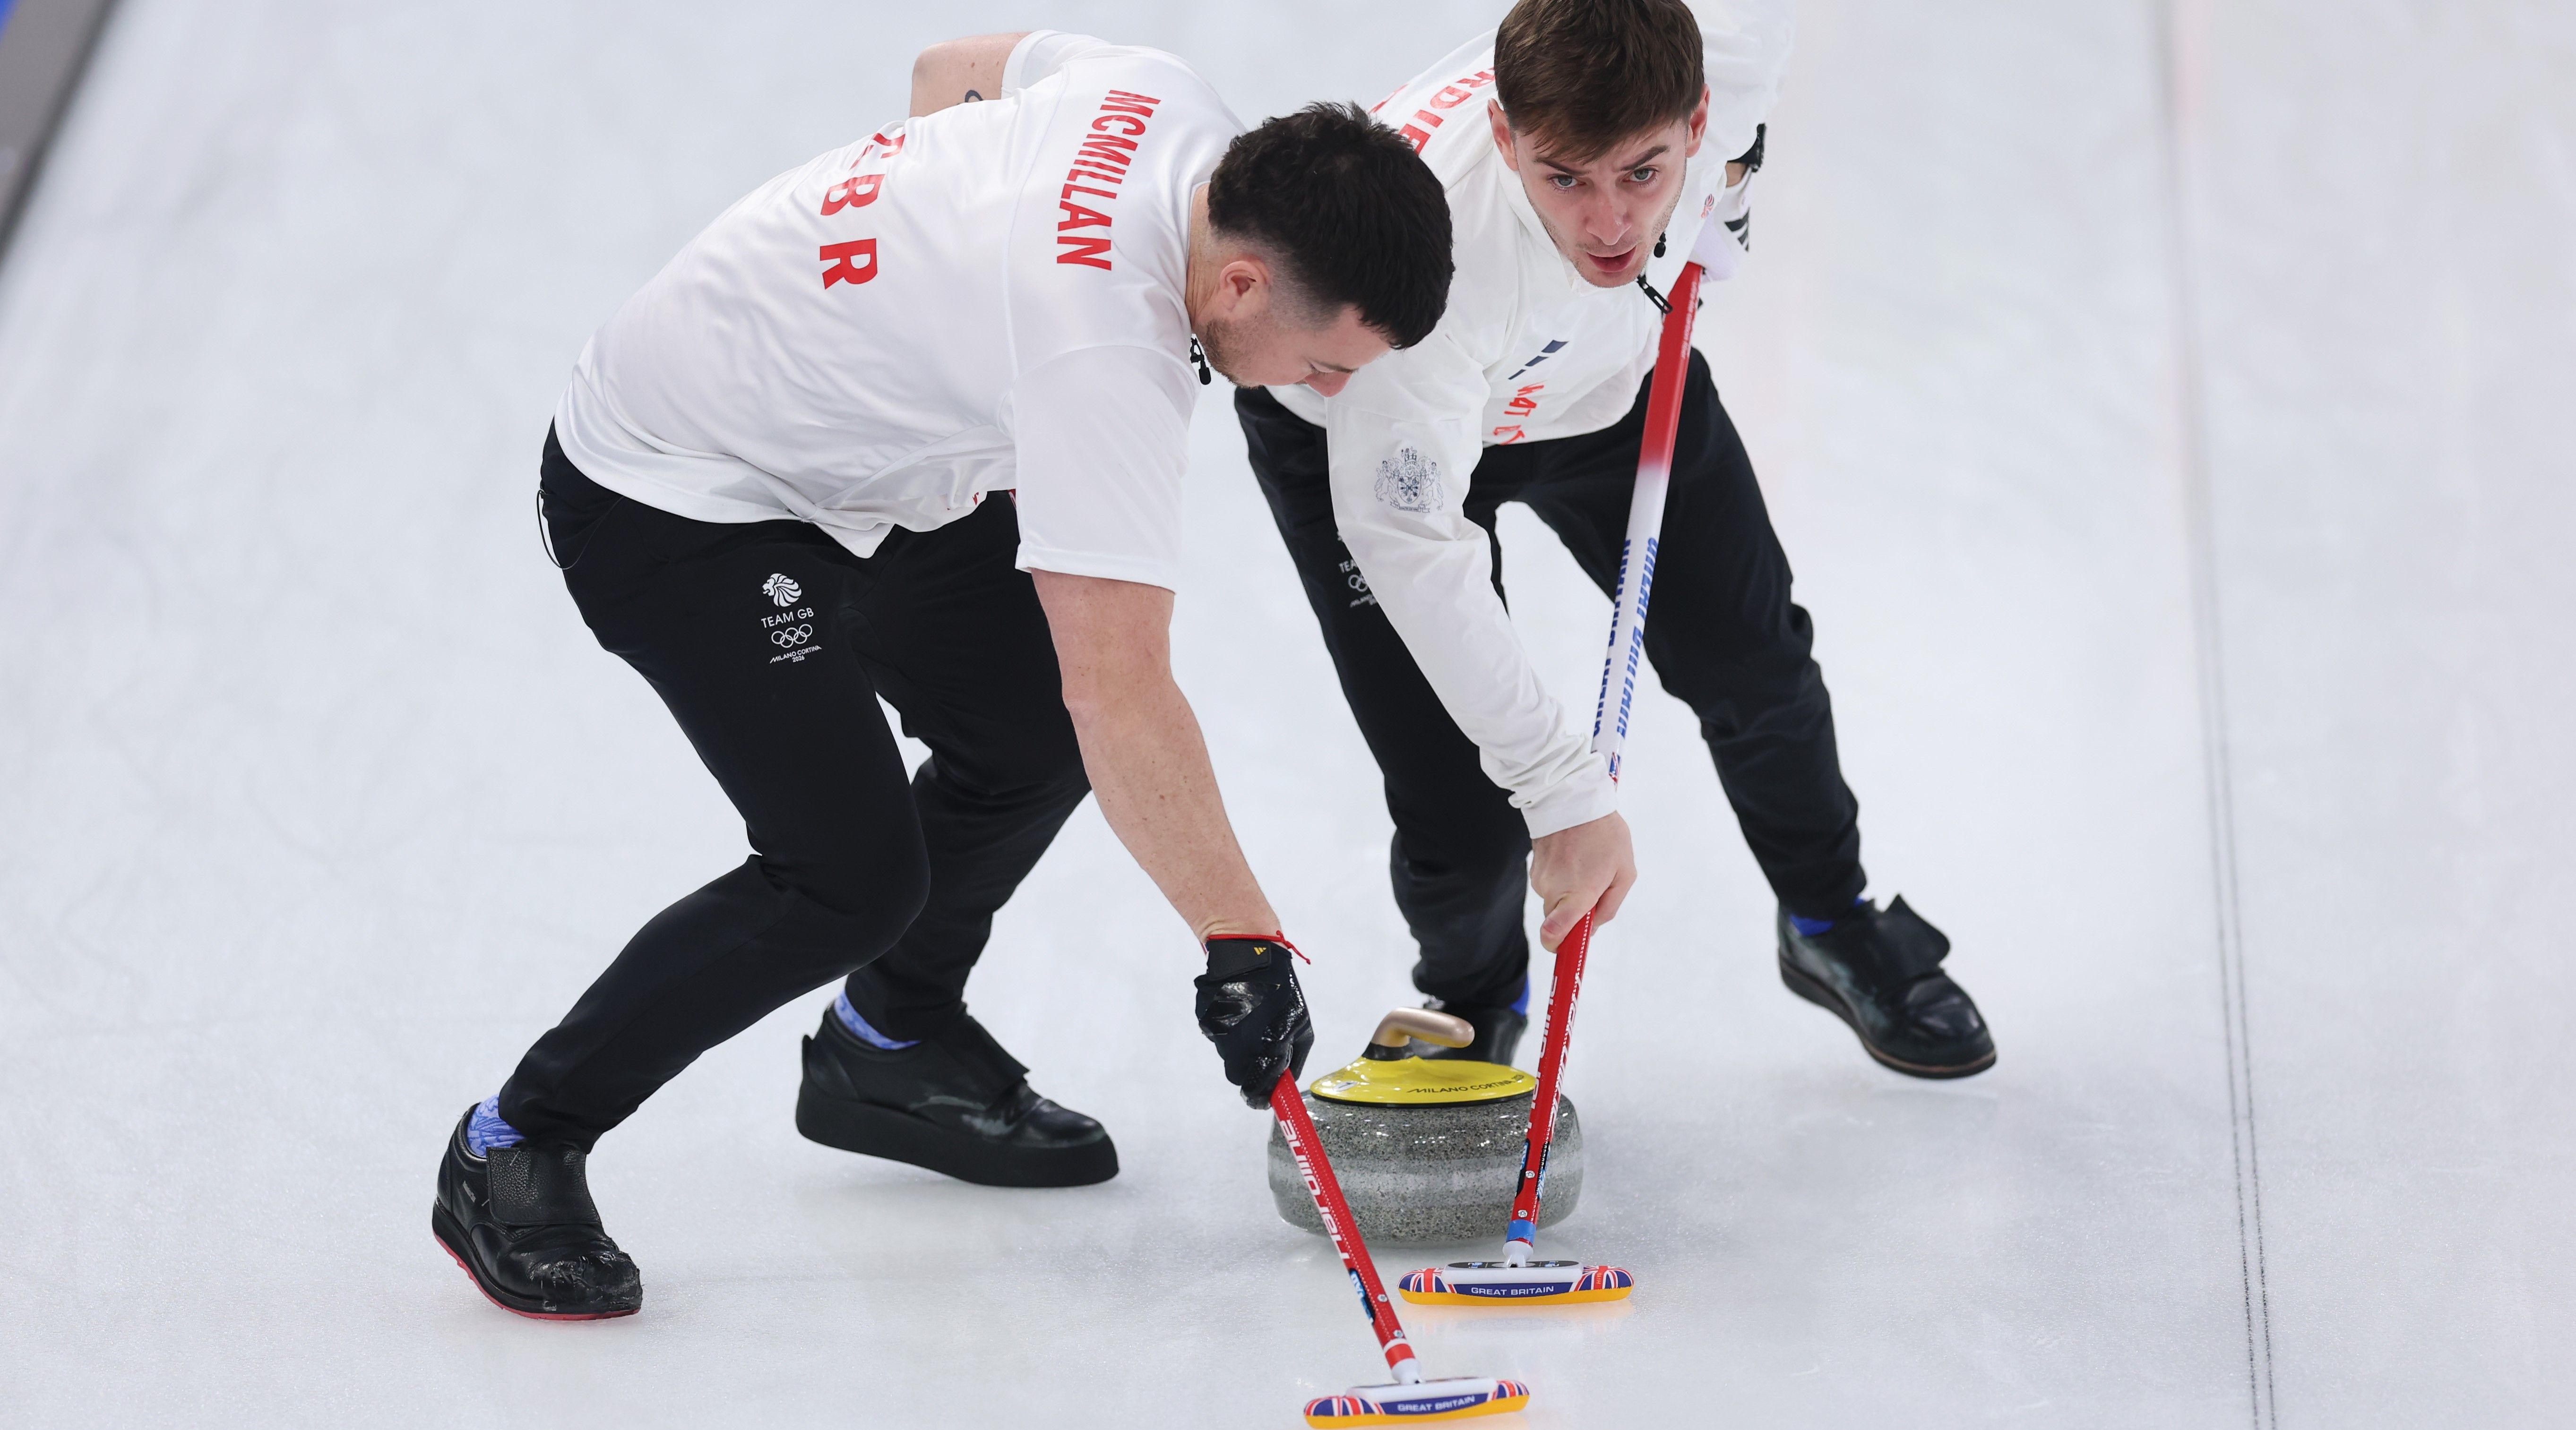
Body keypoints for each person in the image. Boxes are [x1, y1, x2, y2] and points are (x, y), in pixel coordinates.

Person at [432, 30, 1454, 1320]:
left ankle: (890, 1041)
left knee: (1025, 733)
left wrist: (924, 318)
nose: (1326, 392)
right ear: (1241, 283)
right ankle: (515, 1139)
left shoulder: (1161, 102)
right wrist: (1240, 941)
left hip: (855, 460)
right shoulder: (1103, 355)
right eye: (1326, 364)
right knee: (845, 880)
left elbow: (946, 74)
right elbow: (1122, 690)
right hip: (670, 492)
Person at [1235, 0, 1993, 1076]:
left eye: (1643, 173)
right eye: (1565, 179)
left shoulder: (1732, 54)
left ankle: (1830, 919)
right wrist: (1564, 794)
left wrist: (1730, 195)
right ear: (1505, 139)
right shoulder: (1424, 271)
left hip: (1605, 393)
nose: (1607, 224)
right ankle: (1470, 1001)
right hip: (1368, 430)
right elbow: (1416, 553)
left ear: (1696, 119)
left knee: (1756, 666)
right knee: (1462, 798)